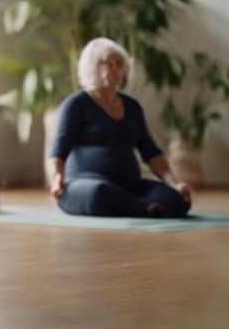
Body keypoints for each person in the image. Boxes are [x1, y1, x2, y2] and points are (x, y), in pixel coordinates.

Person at [48, 37, 193, 218]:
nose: (114, 68)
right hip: (84, 184)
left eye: (119, 63)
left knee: (179, 197)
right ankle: (146, 208)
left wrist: (174, 183)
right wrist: (57, 179)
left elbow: (151, 152)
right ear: (90, 67)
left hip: (128, 186)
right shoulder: (76, 104)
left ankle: (142, 207)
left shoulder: (132, 107)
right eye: (106, 62)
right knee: (98, 193)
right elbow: (58, 150)